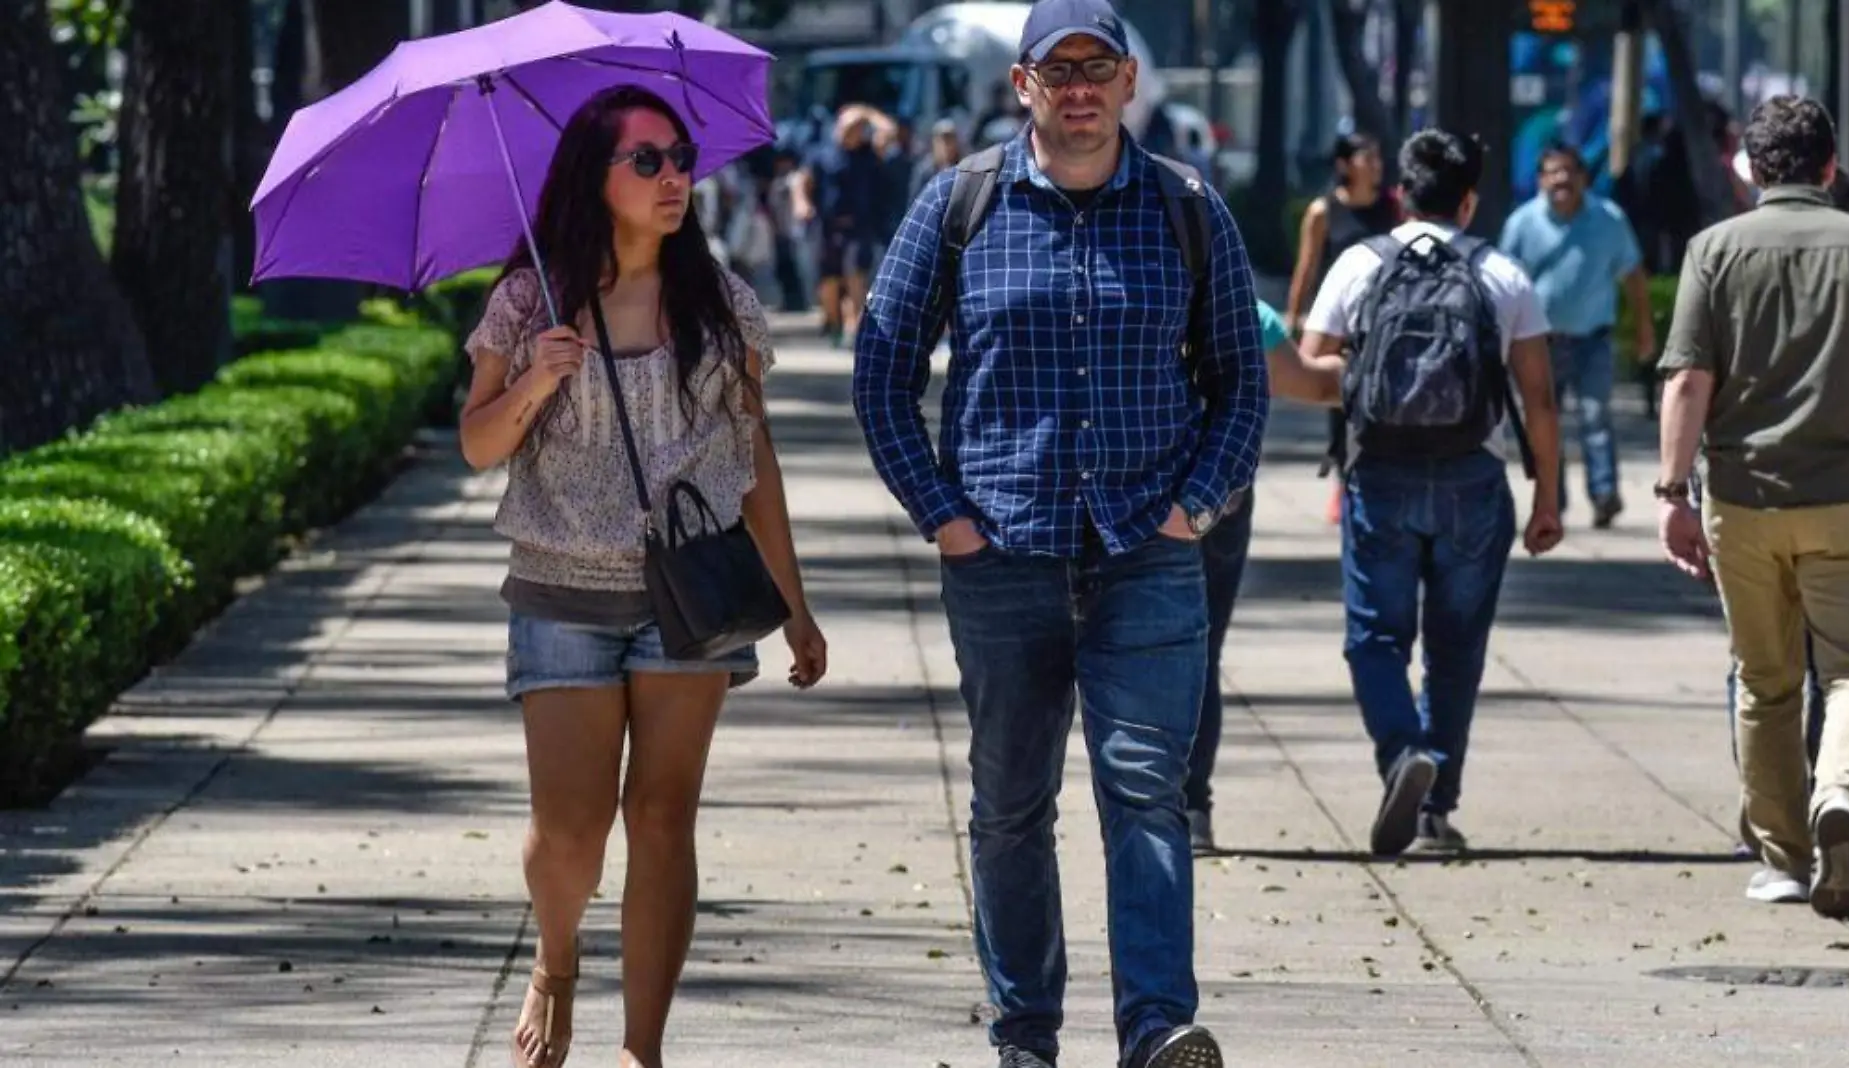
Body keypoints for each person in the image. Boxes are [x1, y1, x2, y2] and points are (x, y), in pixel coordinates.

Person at [852, 1, 1267, 1064]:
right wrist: (943, 519)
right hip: (1000, 555)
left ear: (1128, 81)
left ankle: (1155, 1030)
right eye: (1057, 70)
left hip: (1147, 553)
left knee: (1146, 789)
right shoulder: (959, 204)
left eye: (1098, 67)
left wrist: (1197, 509)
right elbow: (882, 377)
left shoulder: (1188, 209)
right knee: (1008, 807)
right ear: (1022, 85)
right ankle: (1024, 1033)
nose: (1077, 88)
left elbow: (1239, 385)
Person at [457, 84, 829, 1068]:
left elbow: (755, 458)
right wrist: (538, 375)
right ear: (597, 177)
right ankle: (555, 955)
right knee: (570, 833)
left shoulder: (723, 305)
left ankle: (642, 1051)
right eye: (648, 161)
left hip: (690, 599)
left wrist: (794, 605)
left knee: (662, 815)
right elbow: (477, 446)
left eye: (681, 158)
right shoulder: (531, 301)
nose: (676, 179)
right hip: (562, 595)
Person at [1266, 128, 1564, 857]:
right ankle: (1435, 808)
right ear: (1469, 199)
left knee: (1375, 637)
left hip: (1382, 474)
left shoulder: (1360, 264)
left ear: (1400, 195)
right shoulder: (1503, 274)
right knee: (1456, 650)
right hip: (1474, 476)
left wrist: (1378, 386)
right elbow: (1540, 399)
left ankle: (1402, 752)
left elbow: (1310, 374)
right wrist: (1548, 498)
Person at [1655, 95, 1849, 920]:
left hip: (1745, 499)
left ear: (1753, 171)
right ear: (1831, 168)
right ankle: (1840, 797)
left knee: (1766, 682)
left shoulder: (1713, 250)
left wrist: (1671, 492)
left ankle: (1784, 858)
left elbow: (1689, 379)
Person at [1186, 299, 1295, 856]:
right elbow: (1312, 384)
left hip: (1131, 492)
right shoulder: (1248, 310)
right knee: (1201, 652)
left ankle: (1144, 800)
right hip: (1219, 497)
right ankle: (1192, 809)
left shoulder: (1115, 276)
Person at [1500, 142, 1657, 529]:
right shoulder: (1522, 223)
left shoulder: (1608, 219)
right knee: (1543, 421)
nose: (1562, 179)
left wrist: (1644, 328)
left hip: (1593, 340)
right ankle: (1554, 497)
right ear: (1541, 180)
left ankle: (1604, 494)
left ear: (1584, 177)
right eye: (1553, 172)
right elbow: (1503, 284)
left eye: (1569, 171)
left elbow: (1633, 276)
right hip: (1540, 343)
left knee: (1595, 416)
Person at [1285, 133, 1398, 525]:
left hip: (1386, 322)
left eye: (1377, 156)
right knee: (1342, 402)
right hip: (1341, 325)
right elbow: (1307, 267)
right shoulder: (1323, 211)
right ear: (1345, 165)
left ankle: (1374, 475)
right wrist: (1295, 317)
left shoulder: (1394, 208)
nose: (1376, 163)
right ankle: (1344, 479)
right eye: (1367, 156)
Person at [792, 103, 897, 345]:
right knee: (829, 280)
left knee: (855, 273)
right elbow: (802, 180)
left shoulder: (868, 154)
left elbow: (889, 131)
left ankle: (855, 327)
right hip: (827, 227)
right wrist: (801, 203)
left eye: (859, 128)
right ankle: (834, 323)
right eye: (850, 127)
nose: (854, 132)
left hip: (858, 227)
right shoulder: (822, 153)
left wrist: (867, 113)